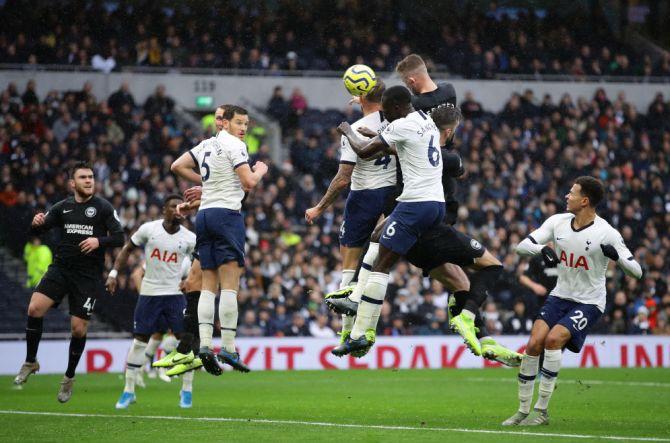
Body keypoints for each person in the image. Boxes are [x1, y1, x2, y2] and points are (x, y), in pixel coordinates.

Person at [503, 176, 642, 426]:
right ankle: (522, 411)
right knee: (534, 343)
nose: (567, 196)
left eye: (572, 193)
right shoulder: (558, 222)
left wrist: (618, 259)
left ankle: (541, 411)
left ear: (585, 200)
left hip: (589, 302)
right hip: (559, 295)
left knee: (553, 340)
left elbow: (637, 271)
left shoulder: (607, 233)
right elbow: (521, 247)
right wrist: (542, 249)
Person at [331, 85, 444, 356]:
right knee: (376, 238)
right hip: (435, 202)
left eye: (387, 112)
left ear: (394, 107)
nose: (385, 116)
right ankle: (356, 308)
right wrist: (379, 135)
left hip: (415, 203)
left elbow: (364, 151)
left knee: (381, 265)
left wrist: (348, 130)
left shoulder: (401, 124)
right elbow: (403, 147)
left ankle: (359, 332)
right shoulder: (426, 121)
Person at [13, 161, 124, 402]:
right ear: (72, 183)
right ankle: (31, 361)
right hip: (61, 269)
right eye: (83, 177)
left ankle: (69, 377)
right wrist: (36, 223)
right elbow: (38, 232)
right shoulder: (62, 207)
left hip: (87, 277)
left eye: (91, 177)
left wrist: (98, 241)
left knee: (78, 328)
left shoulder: (103, 208)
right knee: (34, 308)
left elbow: (119, 237)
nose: (89, 181)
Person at [173, 105, 268, 375]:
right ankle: (227, 348)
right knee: (229, 286)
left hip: (204, 216)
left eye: (247, 123)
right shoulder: (236, 146)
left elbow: (177, 166)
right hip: (227, 216)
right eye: (239, 122)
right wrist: (261, 169)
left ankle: (204, 346)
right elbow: (249, 183)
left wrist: (207, 183)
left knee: (207, 286)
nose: (244, 128)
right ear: (224, 123)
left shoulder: (205, 145)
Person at [305, 80, 396, 345]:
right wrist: (367, 101)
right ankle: (366, 332)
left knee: (349, 262)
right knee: (378, 265)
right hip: (391, 194)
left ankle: (346, 333)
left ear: (360, 96)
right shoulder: (397, 123)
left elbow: (343, 178)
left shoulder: (355, 129)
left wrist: (320, 207)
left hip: (364, 196)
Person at [106, 194, 196, 409]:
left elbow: (199, 262)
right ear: (164, 209)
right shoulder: (149, 229)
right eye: (173, 206)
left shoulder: (190, 238)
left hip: (175, 296)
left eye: (181, 206)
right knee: (139, 341)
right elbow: (128, 248)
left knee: (186, 341)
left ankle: (187, 391)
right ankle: (128, 391)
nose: (177, 209)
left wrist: (190, 279)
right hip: (149, 294)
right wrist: (113, 273)